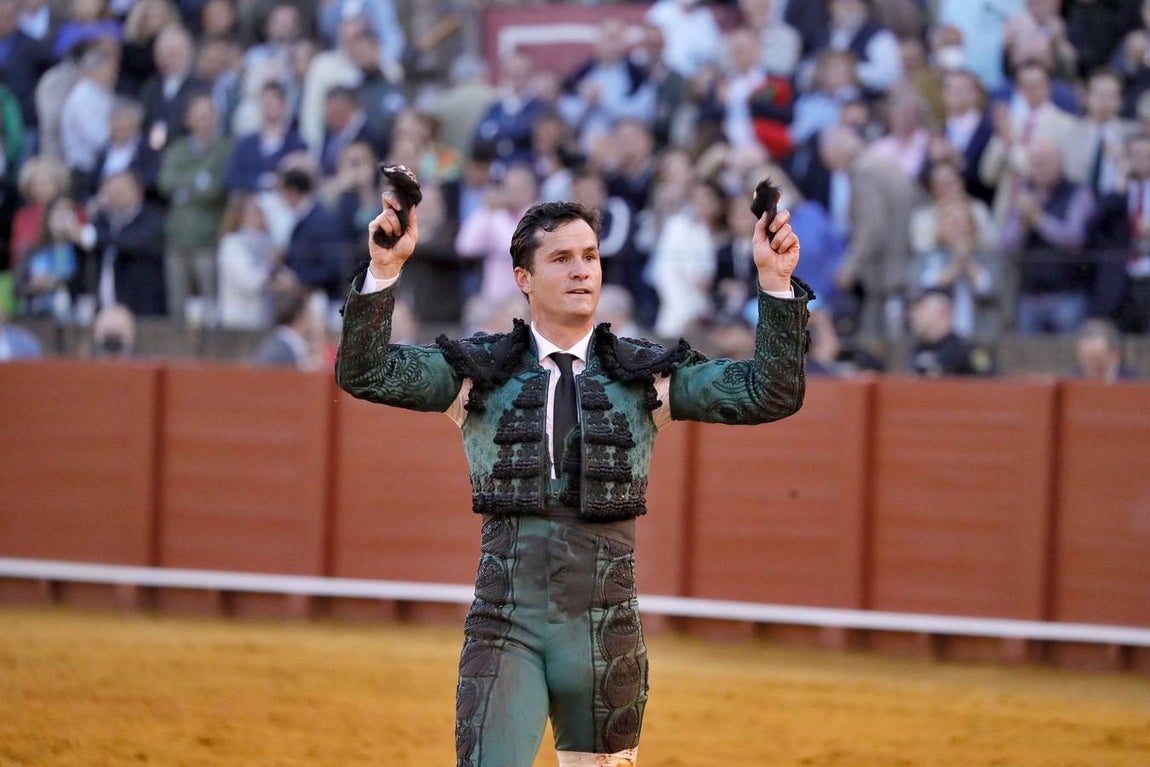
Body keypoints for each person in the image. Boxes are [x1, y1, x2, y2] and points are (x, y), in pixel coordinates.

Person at [335, 174, 809, 767]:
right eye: (561, 258)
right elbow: (365, 372)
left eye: (590, 256)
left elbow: (770, 393)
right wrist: (384, 269)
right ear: (523, 278)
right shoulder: (477, 374)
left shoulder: (645, 378)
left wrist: (774, 283)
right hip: (506, 626)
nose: (582, 270)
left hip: (607, 638)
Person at [906, 286, 996, 377]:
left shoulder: (966, 352)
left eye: (921, 308)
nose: (913, 315)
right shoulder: (918, 349)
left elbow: (990, 385)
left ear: (943, 312)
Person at [1074, 317, 1138, 382]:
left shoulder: (1134, 382)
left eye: (1097, 361)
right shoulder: (1073, 379)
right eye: (1086, 363)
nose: (1091, 370)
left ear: (1115, 355)